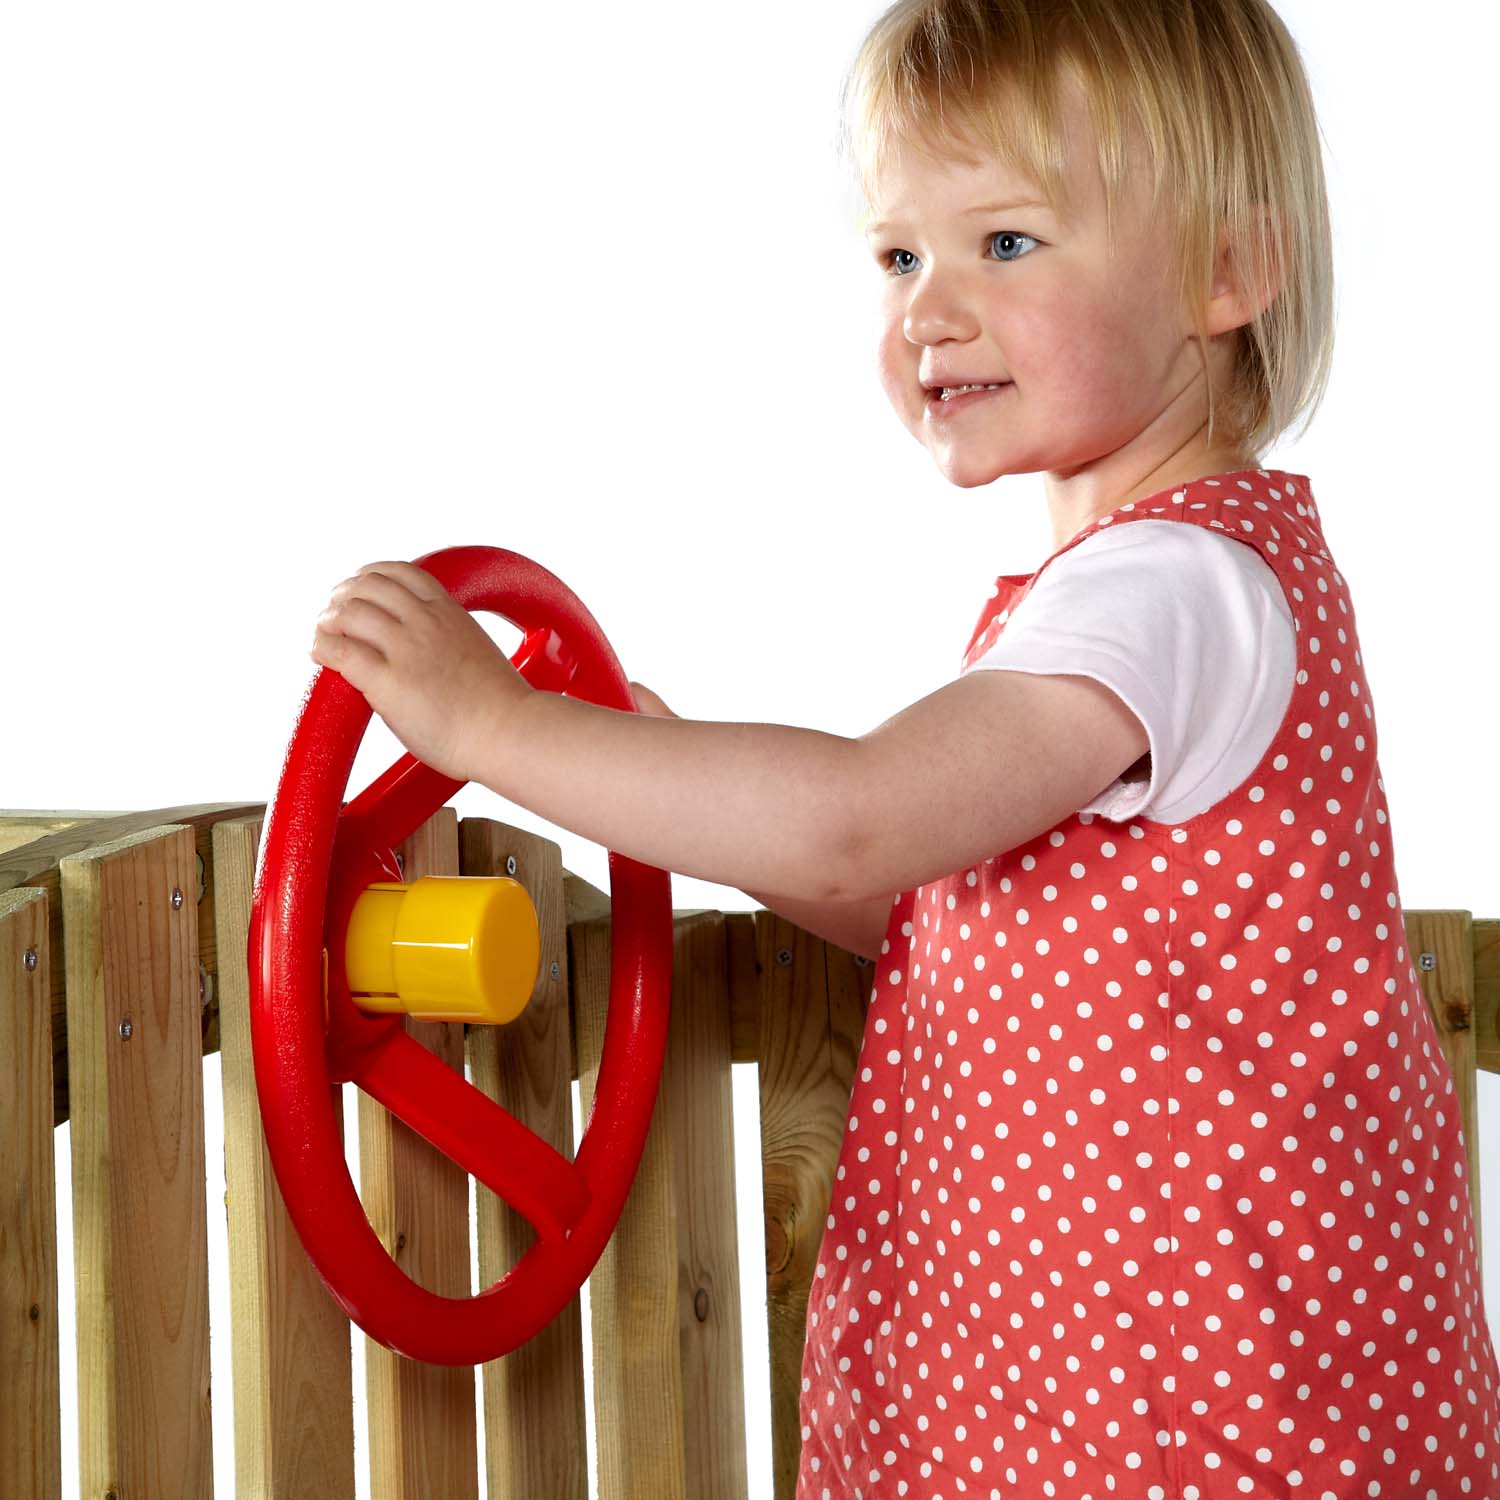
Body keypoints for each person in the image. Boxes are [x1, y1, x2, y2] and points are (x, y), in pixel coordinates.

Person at [308, 0, 1500, 1492]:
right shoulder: (1134, 592)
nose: (930, 310)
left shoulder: (1171, 589)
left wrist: (500, 724)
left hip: (1193, 1410)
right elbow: (933, 903)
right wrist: (642, 752)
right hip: (1104, 1378)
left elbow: (855, 821)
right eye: (898, 256)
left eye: (1004, 244)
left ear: (1227, 272)